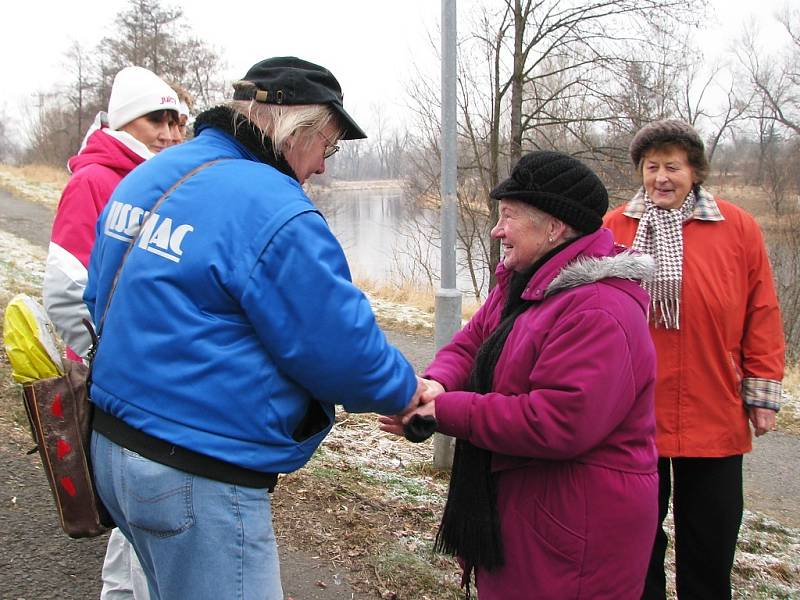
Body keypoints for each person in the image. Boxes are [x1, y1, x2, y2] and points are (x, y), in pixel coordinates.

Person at [84, 56, 422, 600]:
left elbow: (97, 295)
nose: (323, 167)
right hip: (196, 474)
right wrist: (406, 391)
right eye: (327, 147)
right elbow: (340, 349)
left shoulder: (146, 177)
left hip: (113, 447)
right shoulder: (273, 209)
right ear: (297, 130)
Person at [381, 150, 659, 599]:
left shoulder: (600, 309)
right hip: (528, 510)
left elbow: (558, 420)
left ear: (554, 227)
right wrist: (438, 384)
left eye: (508, 216)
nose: (496, 230)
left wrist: (442, 410)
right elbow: (473, 343)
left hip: (576, 528)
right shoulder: (526, 282)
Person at [603, 119, 785, 599]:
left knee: (710, 545)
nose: (661, 177)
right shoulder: (615, 226)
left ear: (695, 171)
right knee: (636, 545)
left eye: (673, 166)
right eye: (651, 166)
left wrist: (762, 392)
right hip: (633, 412)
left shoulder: (736, 226)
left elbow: (761, 311)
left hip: (714, 406)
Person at [42, 65, 180, 600]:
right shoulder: (95, 180)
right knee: (141, 521)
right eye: (155, 119)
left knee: (139, 524)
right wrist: (109, 365)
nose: (169, 132)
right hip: (123, 384)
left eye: (175, 120)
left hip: (143, 381)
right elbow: (64, 289)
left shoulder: (154, 176)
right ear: (125, 122)